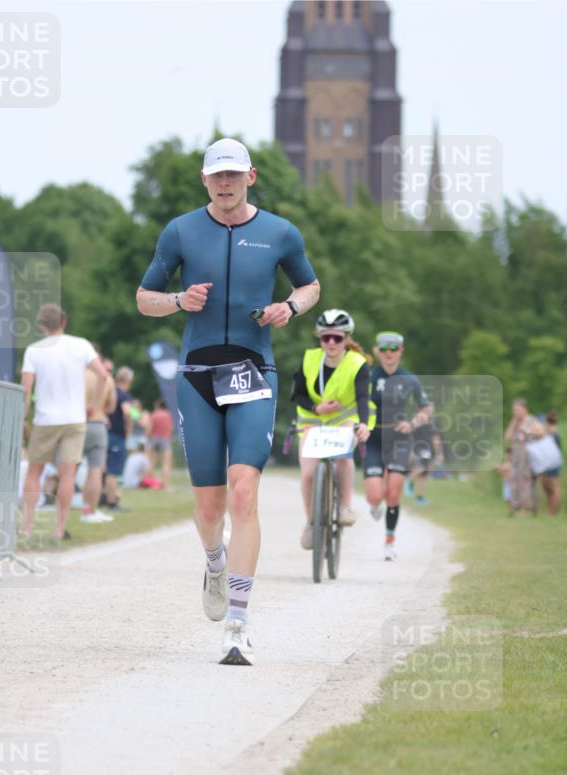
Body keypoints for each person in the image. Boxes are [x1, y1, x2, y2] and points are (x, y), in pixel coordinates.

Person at [137, 137, 320, 665]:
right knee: (209, 507)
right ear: (204, 180)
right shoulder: (180, 230)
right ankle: (215, 564)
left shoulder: (280, 232)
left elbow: (311, 287)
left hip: (251, 370)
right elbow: (144, 297)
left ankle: (237, 624)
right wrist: (176, 300)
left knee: (244, 495)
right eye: (217, 175)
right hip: (196, 373)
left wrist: (291, 306)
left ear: (251, 176)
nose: (225, 183)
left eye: (234, 175)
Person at [20, 304, 108, 540]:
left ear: (41, 326)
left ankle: (27, 527)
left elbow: (26, 389)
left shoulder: (33, 350)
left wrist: (22, 417)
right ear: (64, 322)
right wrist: (94, 405)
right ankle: (59, 529)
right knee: (67, 474)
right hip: (75, 418)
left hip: (45, 419)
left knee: (33, 472)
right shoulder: (81, 344)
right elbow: (103, 374)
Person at [291, 309, 372, 549]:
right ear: (319, 338)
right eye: (326, 337)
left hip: (345, 419)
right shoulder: (309, 358)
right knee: (307, 473)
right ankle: (311, 523)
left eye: (337, 337)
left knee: (344, 457)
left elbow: (362, 398)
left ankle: (345, 505)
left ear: (347, 338)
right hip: (313, 420)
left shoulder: (358, 363)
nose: (331, 342)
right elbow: (297, 395)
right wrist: (317, 409)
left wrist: (364, 425)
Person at [363, 331, 433, 560]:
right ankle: (374, 504)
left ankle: (389, 542)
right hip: (373, 439)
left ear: (401, 350)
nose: (389, 353)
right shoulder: (369, 376)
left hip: (399, 440)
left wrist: (413, 423)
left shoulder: (410, 379)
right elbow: (355, 403)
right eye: (384, 349)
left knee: (393, 495)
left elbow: (426, 408)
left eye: (393, 348)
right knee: (375, 496)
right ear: (377, 351)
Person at [81, 346, 117, 523]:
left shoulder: (77, 374)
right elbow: (111, 407)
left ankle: (65, 508)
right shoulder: (107, 378)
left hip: (76, 424)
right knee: (95, 471)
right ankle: (89, 511)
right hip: (98, 423)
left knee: (69, 469)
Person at [503, 398, 544, 516]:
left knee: (528, 482)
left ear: (525, 409)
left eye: (518, 410)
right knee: (515, 480)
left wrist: (529, 431)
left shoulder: (531, 420)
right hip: (517, 457)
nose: (516, 412)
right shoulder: (515, 422)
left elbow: (541, 432)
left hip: (529, 457)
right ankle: (516, 507)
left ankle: (527, 509)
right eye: (514, 410)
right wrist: (513, 422)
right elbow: (507, 438)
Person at [104, 366, 134, 510]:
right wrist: (129, 427)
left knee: (103, 468)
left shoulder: (110, 392)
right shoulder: (123, 395)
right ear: (128, 381)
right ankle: (112, 502)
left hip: (106, 433)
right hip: (117, 435)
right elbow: (127, 412)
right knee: (113, 471)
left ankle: (103, 498)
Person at [149, 397, 174, 489]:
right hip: (165, 439)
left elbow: (150, 428)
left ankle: (150, 483)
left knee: (152, 463)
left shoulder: (155, 414)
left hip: (155, 439)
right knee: (166, 463)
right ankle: (165, 484)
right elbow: (171, 428)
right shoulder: (169, 415)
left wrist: (149, 437)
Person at [540, 410, 562, 515]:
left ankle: (553, 513)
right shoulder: (551, 434)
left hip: (552, 463)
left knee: (554, 488)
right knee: (547, 487)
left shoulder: (554, 434)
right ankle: (550, 512)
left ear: (547, 422)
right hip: (548, 463)